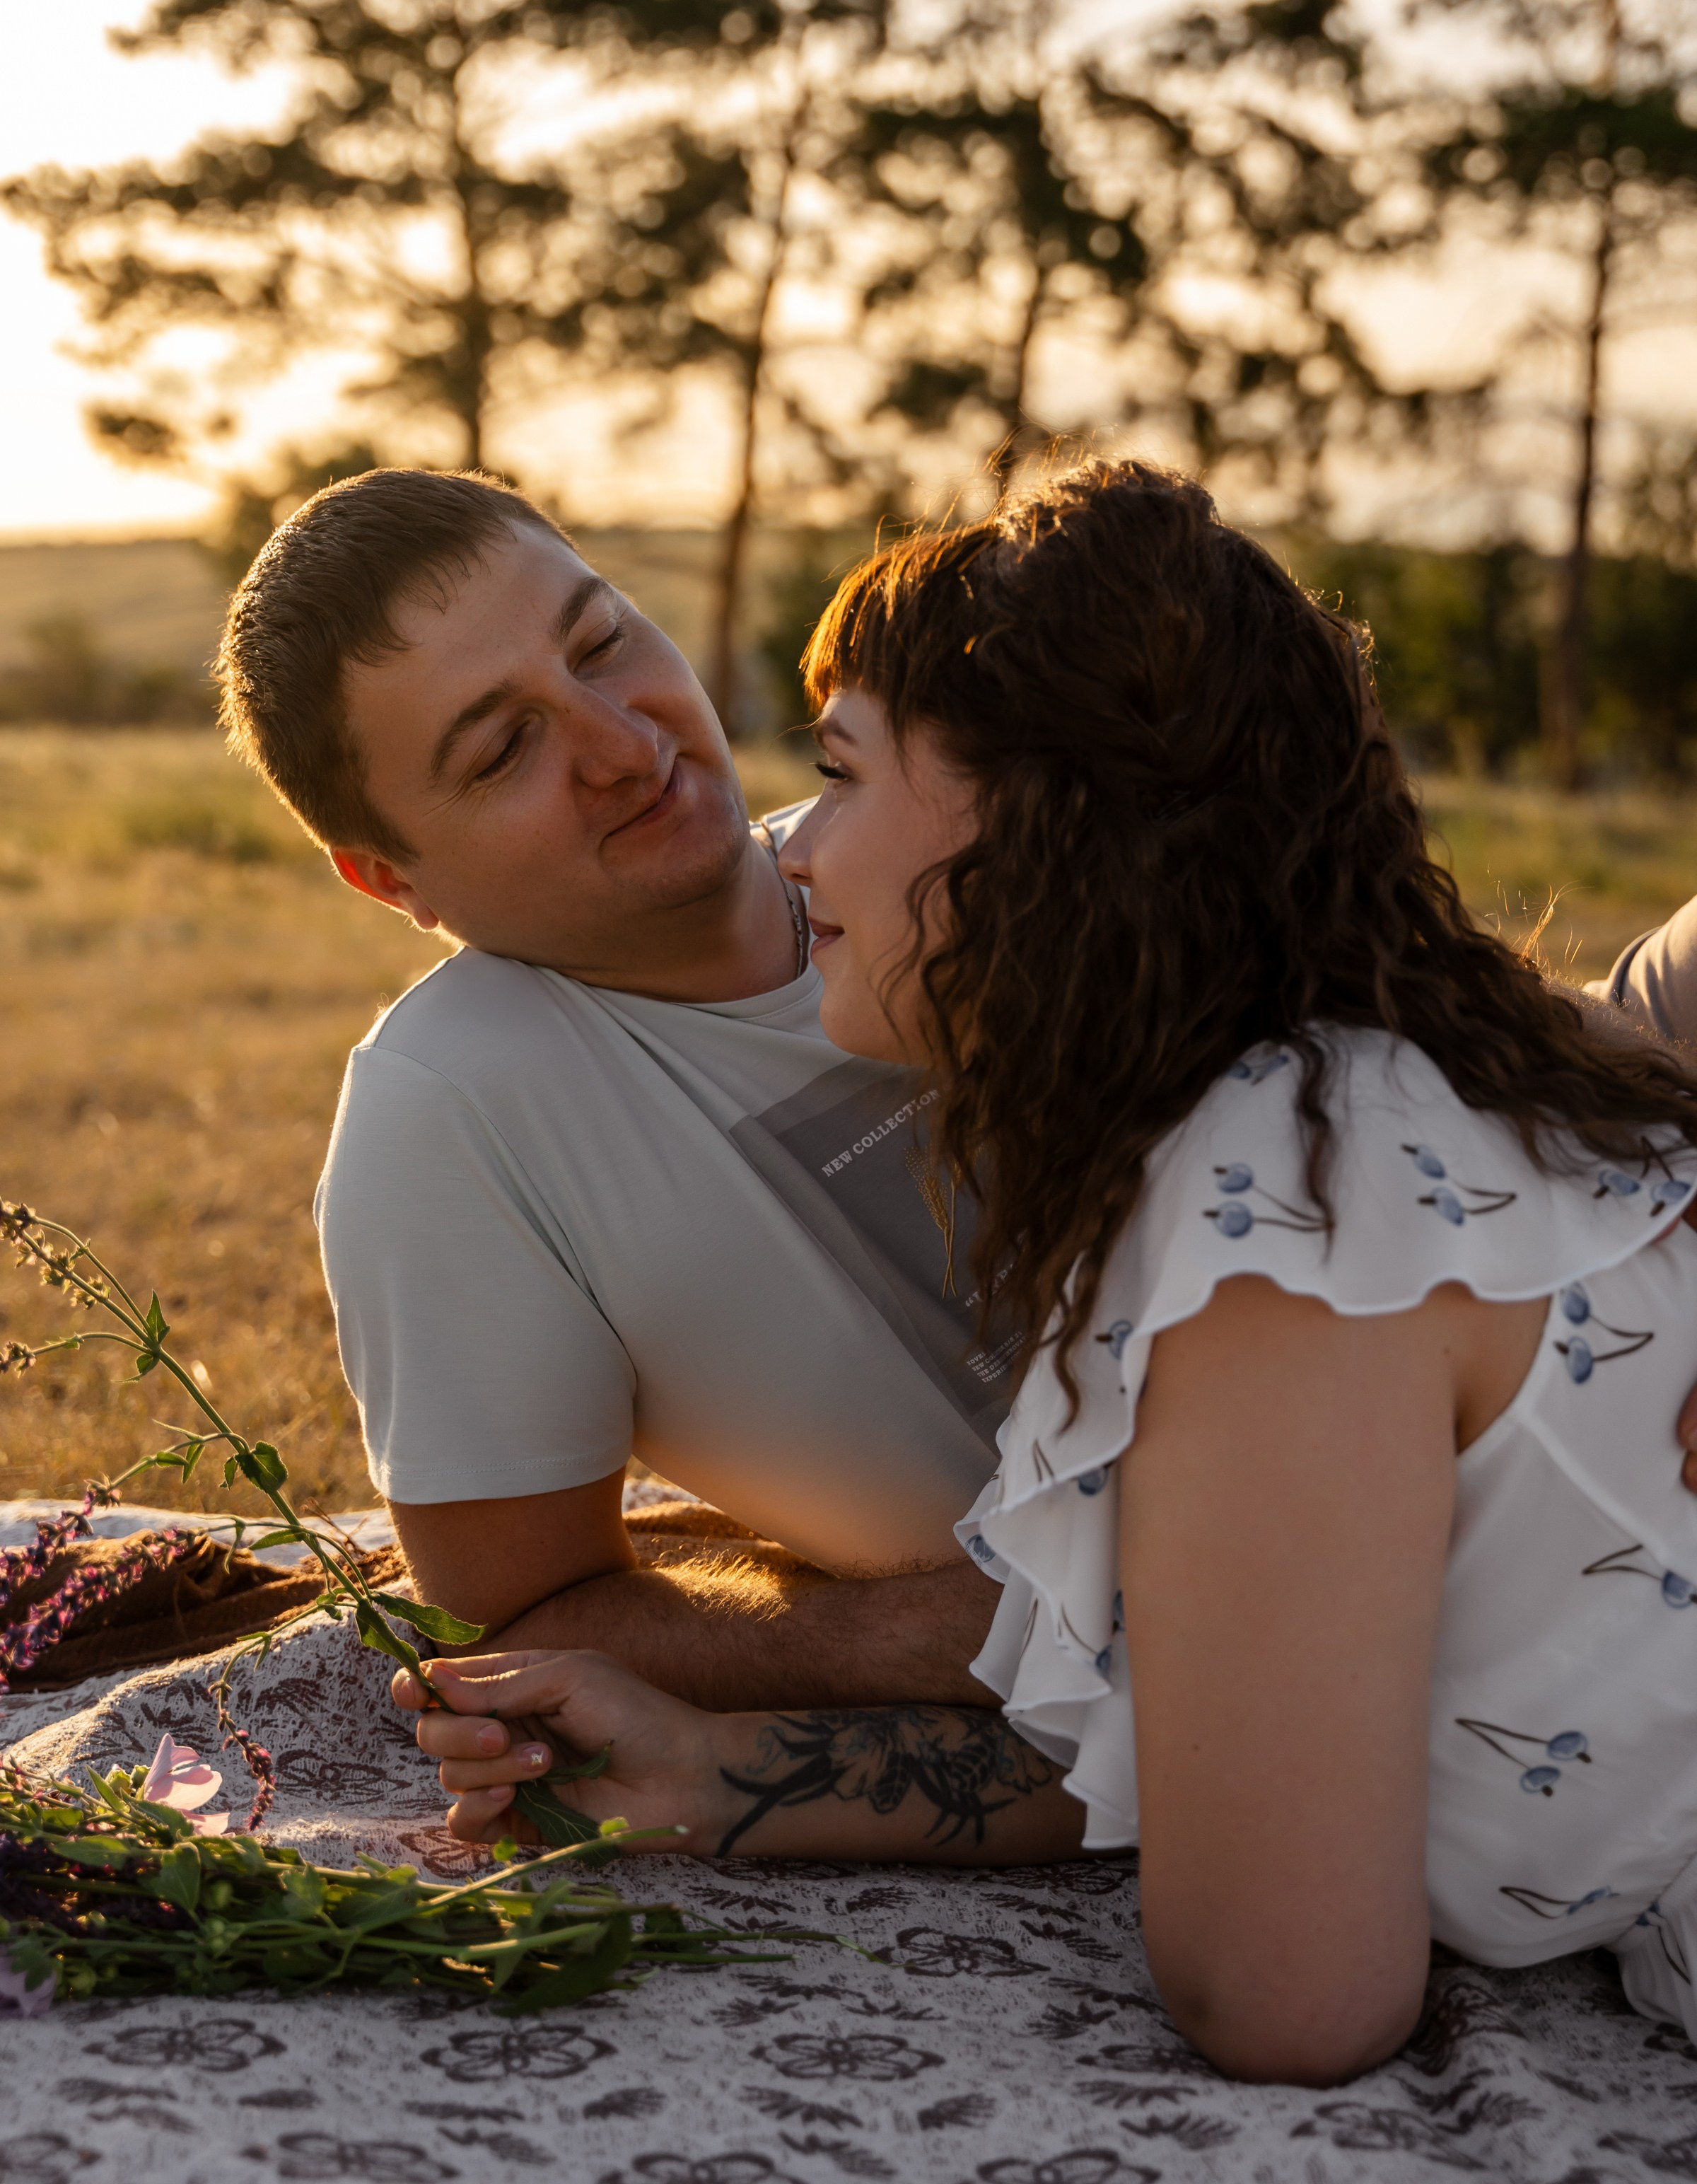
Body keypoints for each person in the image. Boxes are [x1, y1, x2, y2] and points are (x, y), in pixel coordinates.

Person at [399, 462, 1697, 2086]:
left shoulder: (1285, 1233)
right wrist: (715, 1774)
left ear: (1038, 814)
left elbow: (1290, 1994)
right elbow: (1233, 1729)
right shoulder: (1357, 1090)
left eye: (842, 772)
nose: (797, 858)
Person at [218, 467, 1008, 1708]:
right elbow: (519, 1608)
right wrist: (934, 1639)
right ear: (390, 881)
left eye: (601, 643)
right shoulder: (457, 1108)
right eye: (502, 750)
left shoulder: (956, 832)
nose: (626, 746)